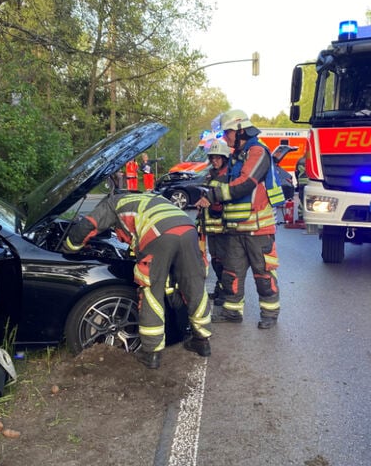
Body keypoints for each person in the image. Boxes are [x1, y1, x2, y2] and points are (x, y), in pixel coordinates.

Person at [63, 193, 212, 368]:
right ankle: (202, 342)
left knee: (150, 291)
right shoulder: (147, 199)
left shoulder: (112, 204)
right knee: (194, 286)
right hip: (187, 228)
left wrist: (70, 247)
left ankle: (151, 353)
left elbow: (88, 225)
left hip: (158, 233)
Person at [202, 109, 282, 329]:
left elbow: (246, 183)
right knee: (231, 274)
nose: (225, 138)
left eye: (227, 133)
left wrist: (214, 195)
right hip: (236, 230)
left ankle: (270, 314)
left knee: (263, 276)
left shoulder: (257, 152)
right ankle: (232, 312)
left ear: (240, 130)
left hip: (258, 230)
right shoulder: (238, 156)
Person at [195, 138, 231, 309]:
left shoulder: (228, 175)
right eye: (212, 157)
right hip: (210, 226)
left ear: (224, 158)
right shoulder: (211, 174)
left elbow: (226, 197)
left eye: (218, 157)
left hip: (223, 226)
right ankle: (220, 287)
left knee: (223, 261)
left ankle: (225, 292)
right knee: (216, 259)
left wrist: (213, 202)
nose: (215, 160)